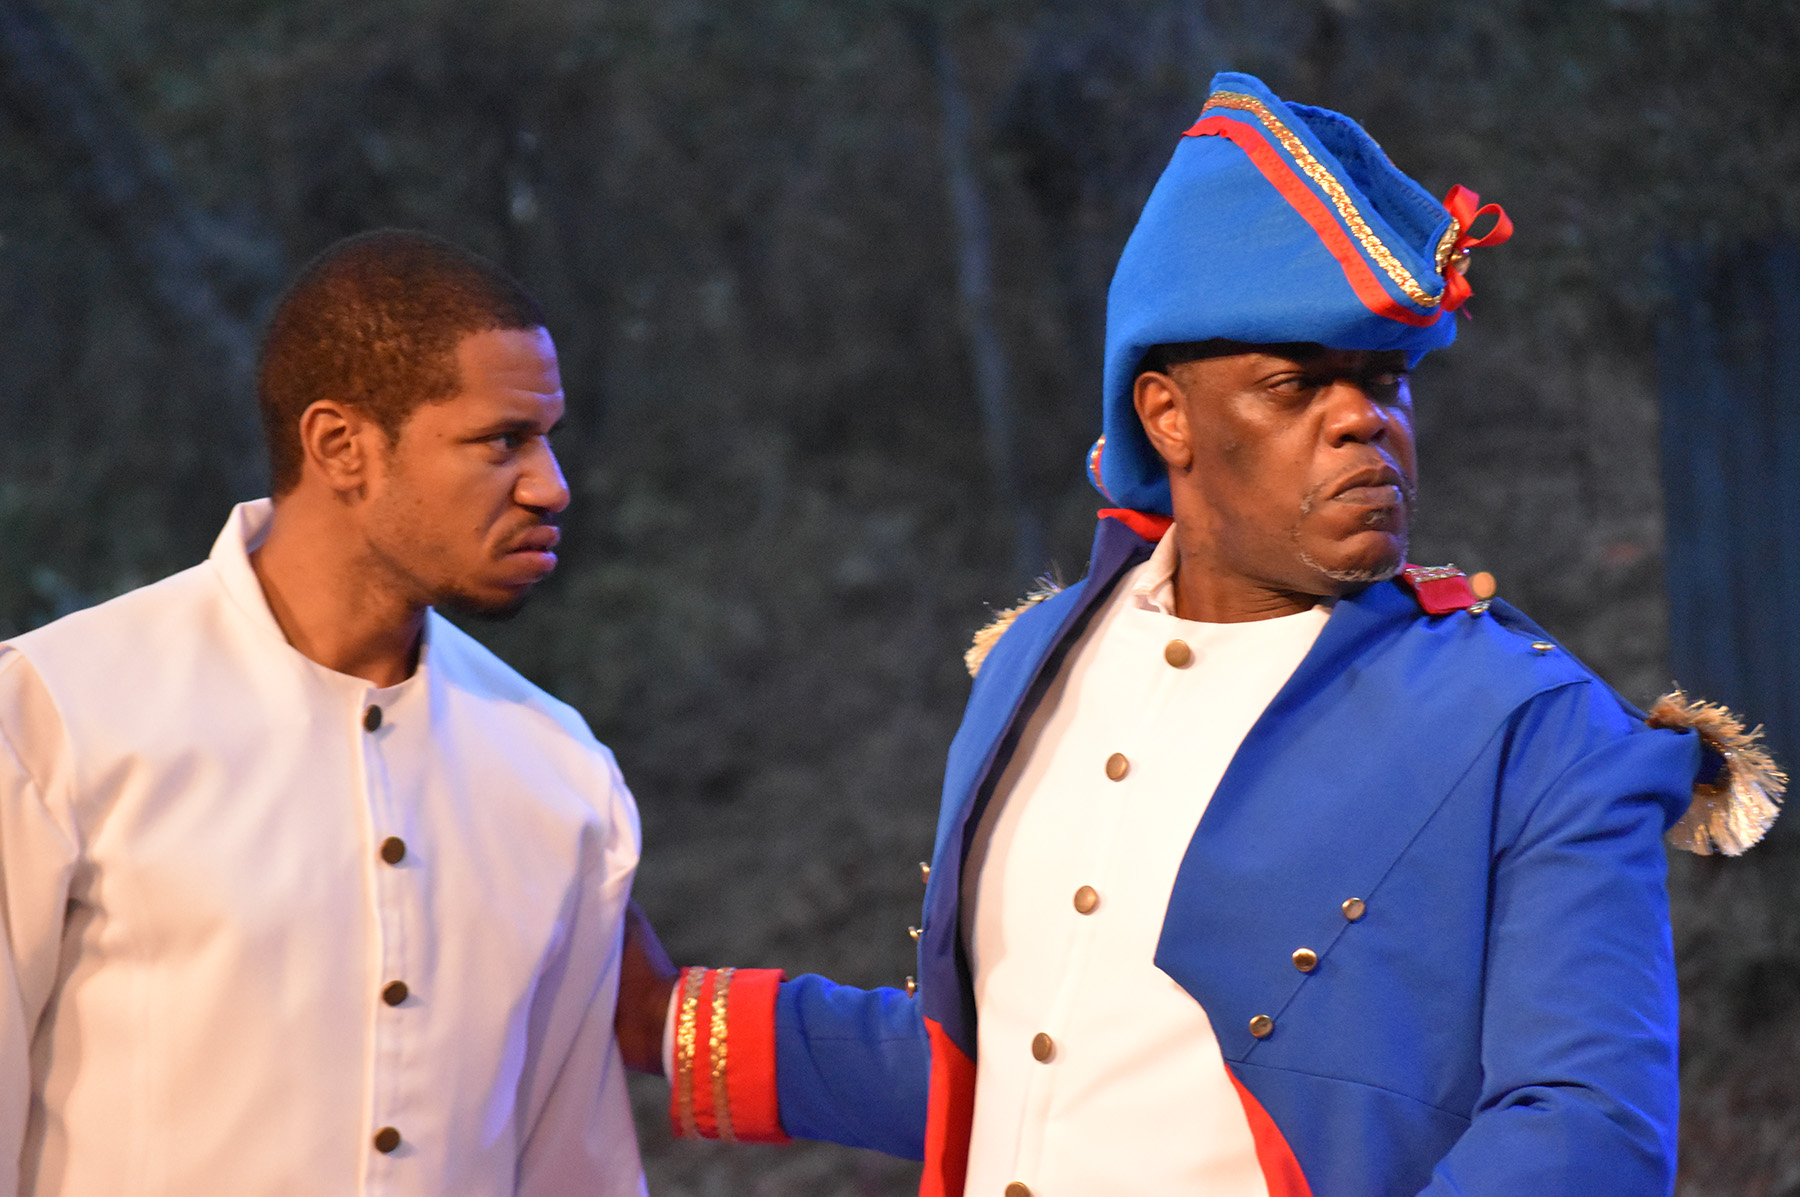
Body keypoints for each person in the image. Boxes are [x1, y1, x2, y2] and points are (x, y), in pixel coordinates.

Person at [614, 73, 1784, 1196]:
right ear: (1166, 415)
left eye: (1385, 381)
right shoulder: (1032, 660)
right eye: (1297, 384)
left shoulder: (1535, 726)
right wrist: (676, 1020)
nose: (1364, 421)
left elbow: (1584, 1136)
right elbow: (1030, 1064)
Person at [0, 230, 648, 1195]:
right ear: (341, 445)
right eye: (502, 440)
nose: (550, 485)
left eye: (547, 437)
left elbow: (572, 1171)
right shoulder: (58, 713)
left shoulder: (561, 773)